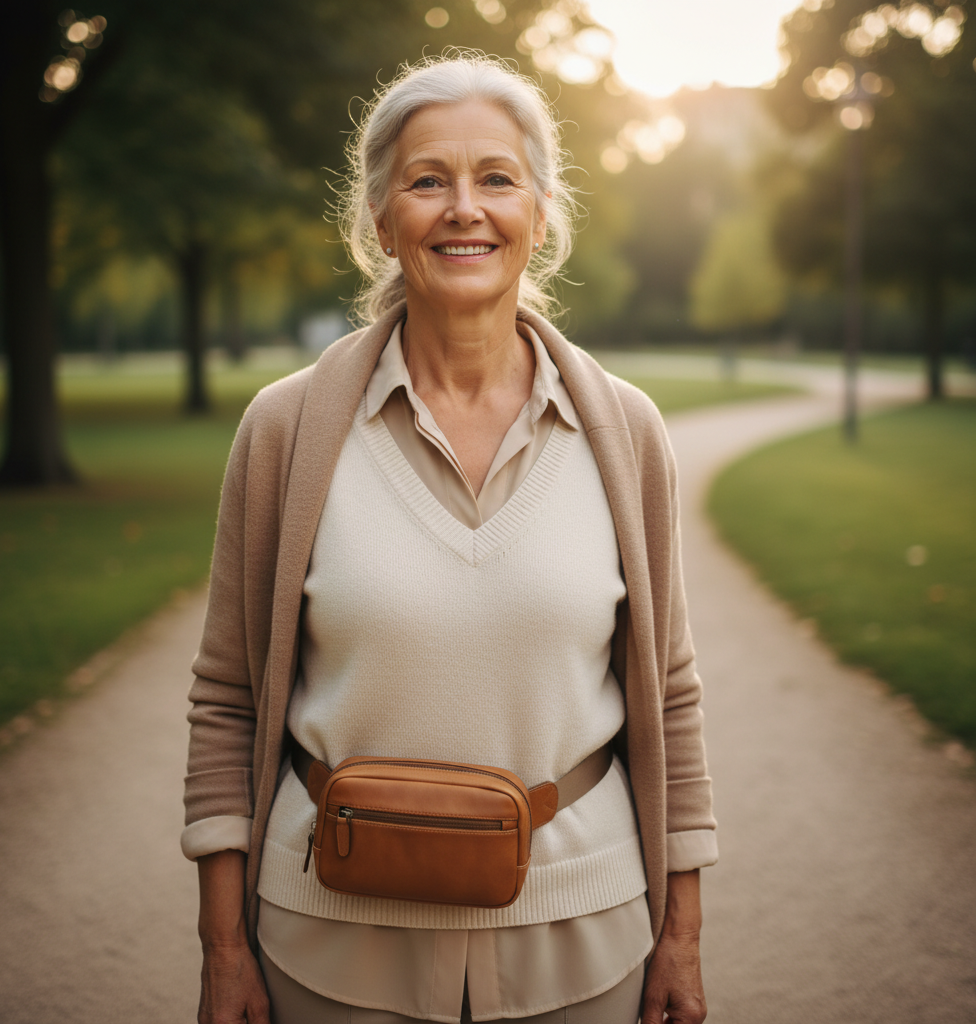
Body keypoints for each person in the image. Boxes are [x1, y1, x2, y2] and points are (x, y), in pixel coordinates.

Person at [182, 53, 717, 1024]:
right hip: (330, 941)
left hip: (582, 938)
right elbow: (226, 698)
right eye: (428, 181)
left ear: (540, 215)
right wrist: (223, 950)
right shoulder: (284, 431)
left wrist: (680, 934)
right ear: (381, 222)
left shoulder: (627, 433)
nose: (464, 208)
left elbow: (668, 696)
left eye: (496, 179)